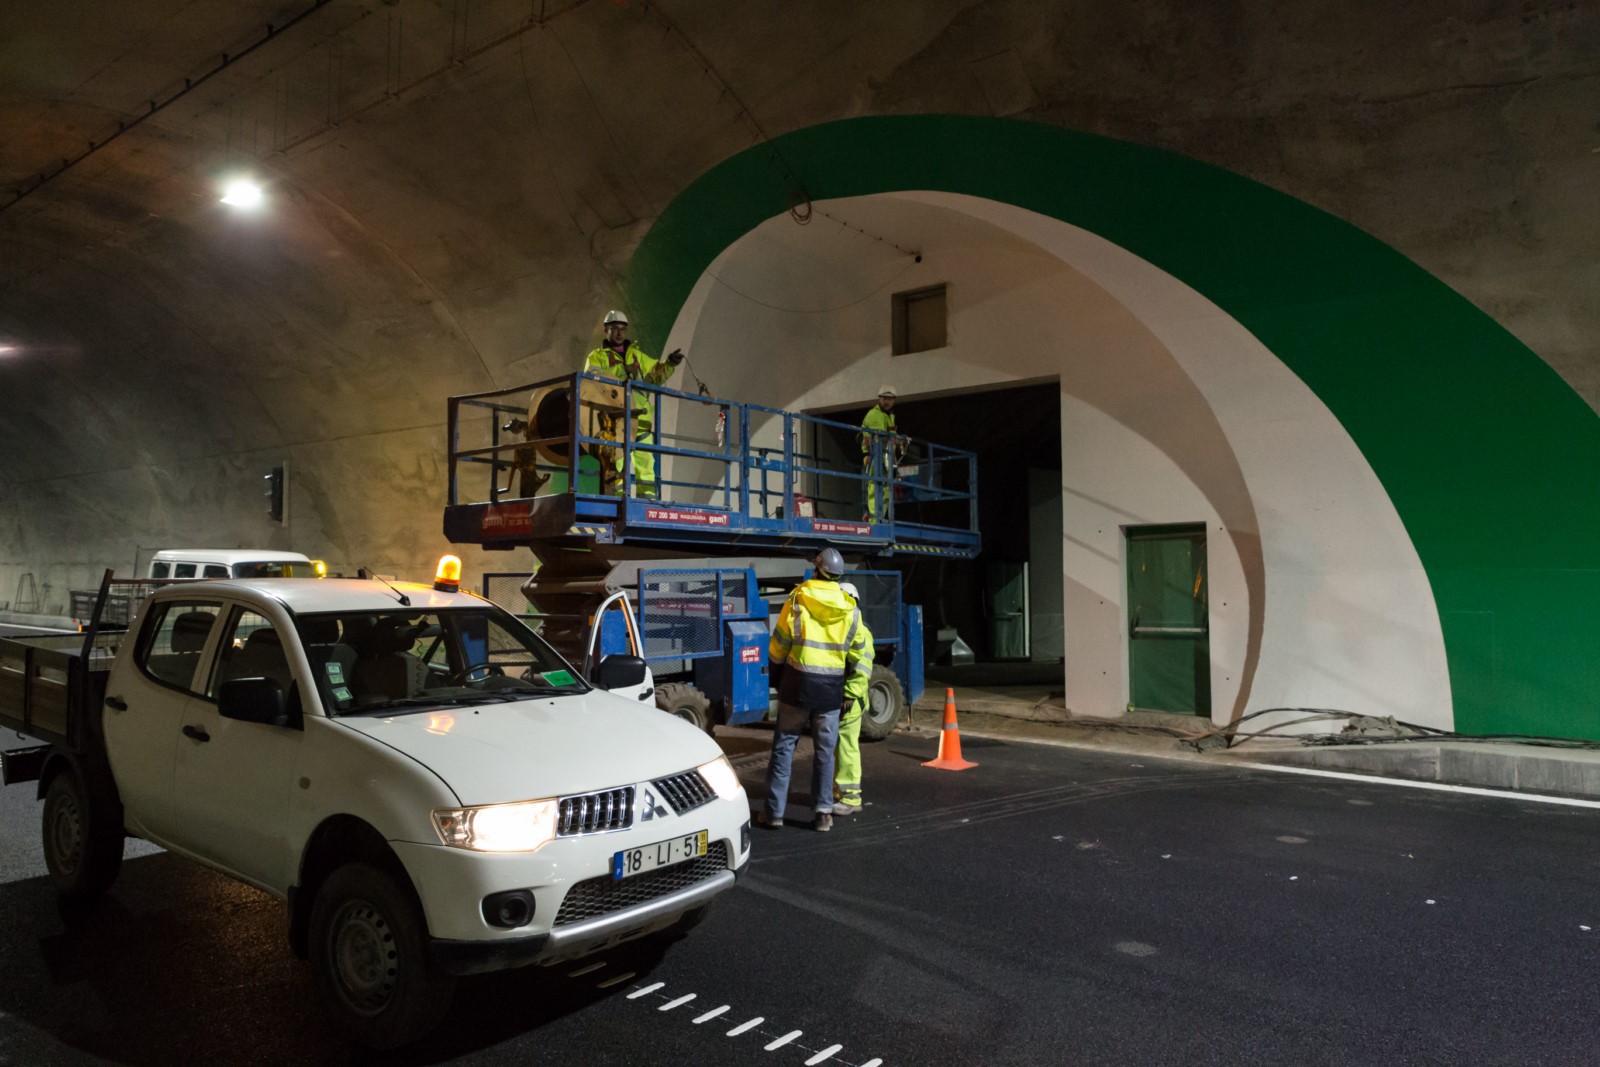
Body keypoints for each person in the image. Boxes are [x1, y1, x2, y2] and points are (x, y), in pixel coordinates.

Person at [759, 547, 873, 832]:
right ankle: (823, 814)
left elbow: (779, 643)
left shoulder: (798, 598)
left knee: (784, 749)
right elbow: (861, 656)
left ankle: (774, 813)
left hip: (797, 686)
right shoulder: (851, 609)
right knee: (825, 752)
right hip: (830, 692)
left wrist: (774, 673)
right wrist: (851, 692)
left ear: (817, 569)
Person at [583, 309, 683, 497]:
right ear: (606, 330)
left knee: (646, 464)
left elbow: (655, 376)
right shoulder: (596, 357)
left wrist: (669, 364)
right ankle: (616, 503)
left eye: (623, 329)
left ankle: (647, 503)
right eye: (615, 329)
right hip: (613, 421)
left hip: (640, 419)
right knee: (615, 464)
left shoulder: (637, 356)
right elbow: (592, 380)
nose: (619, 333)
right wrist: (622, 372)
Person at [832, 581, 873, 815]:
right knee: (842, 746)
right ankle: (842, 792)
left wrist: (848, 694)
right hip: (848, 695)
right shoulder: (851, 628)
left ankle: (851, 798)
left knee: (846, 746)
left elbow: (862, 668)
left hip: (851, 697)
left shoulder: (860, 632)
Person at [859, 386, 898, 522]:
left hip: (885, 456)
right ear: (879, 399)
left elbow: (890, 438)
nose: (887, 402)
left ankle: (880, 518)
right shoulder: (875, 414)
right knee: (875, 487)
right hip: (874, 455)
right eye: (884, 398)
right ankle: (874, 521)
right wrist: (896, 440)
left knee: (885, 488)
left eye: (890, 399)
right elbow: (879, 439)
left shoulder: (889, 416)